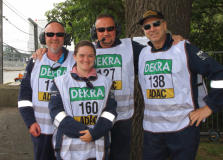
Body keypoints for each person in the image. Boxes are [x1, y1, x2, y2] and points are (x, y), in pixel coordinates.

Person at [35, 14, 183, 160]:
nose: (105, 33)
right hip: (95, 119)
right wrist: (43, 50)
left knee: (119, 155)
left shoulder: (130, 47)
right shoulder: (89, 49)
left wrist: (170, 39)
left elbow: (155, 51)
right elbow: (61, 55)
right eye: (101, 30)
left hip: (122, 115)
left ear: (116, 30)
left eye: (110, 28)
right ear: (95, 32)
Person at [138, 10, 223, 160]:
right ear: (143, 31)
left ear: (165, 25)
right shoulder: (143, 53)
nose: (152, 29)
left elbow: (222, 76)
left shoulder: (184, 49)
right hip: (153, 131)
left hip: (182, 128)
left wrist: (209, 108)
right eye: (147, 26)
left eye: (156, 24)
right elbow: (114, 46)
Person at [48, 40, 117, 160]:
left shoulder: (106, 82)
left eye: (90, 56)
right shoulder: (60, 82)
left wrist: (95, 133)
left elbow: (110, 112)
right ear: (74, 56)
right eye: (82, 55)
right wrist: (84, 131)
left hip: (98, 146)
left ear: (95, 57)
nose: (86, 59)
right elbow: (56, 113)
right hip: (69, 147)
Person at [18, 21, 75, 160]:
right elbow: (24, 97)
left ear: (65, 38)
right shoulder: (35, 61)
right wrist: (30, 122)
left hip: (67, 130)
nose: (54, 37)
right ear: (44, 38)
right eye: (50, 34)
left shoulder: (75, 60)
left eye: (59, 34)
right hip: (41, 130)